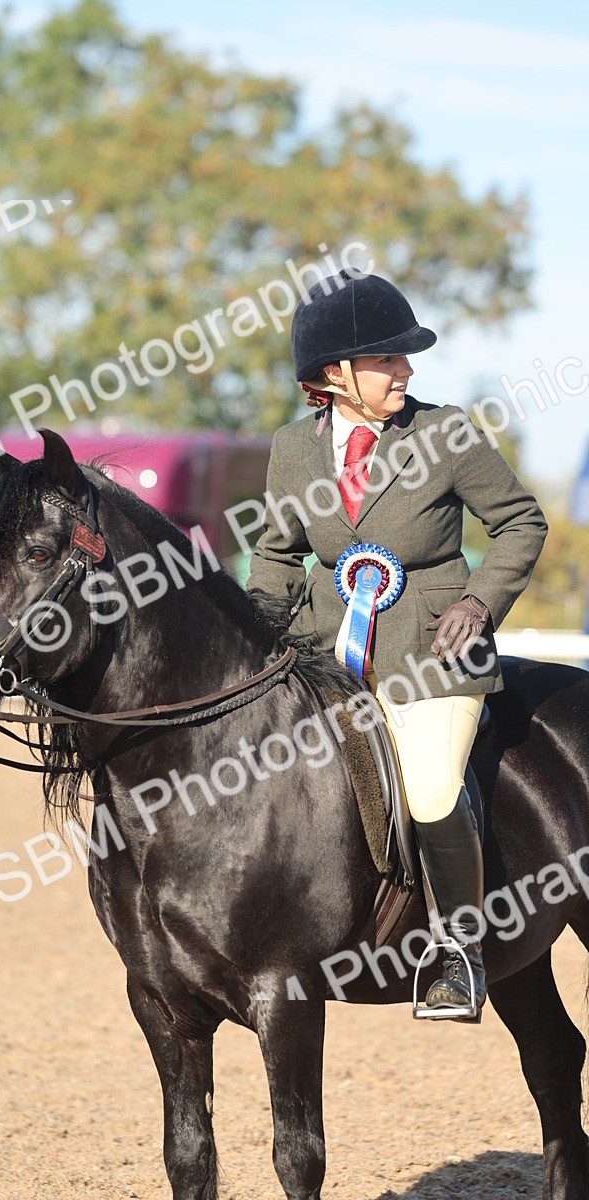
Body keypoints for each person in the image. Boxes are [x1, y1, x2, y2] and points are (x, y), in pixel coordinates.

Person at [246, 268, 548, 1018]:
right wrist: (256, 640)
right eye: (387, 358)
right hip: (326, 654)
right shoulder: (292, 450)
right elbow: (279, 554)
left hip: (434, 658)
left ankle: (458, 953)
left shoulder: (443, 432)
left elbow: (521, 522)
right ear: (333, 375)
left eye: (404, 359)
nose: (406, 370)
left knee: (432, 783)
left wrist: (480, 602)